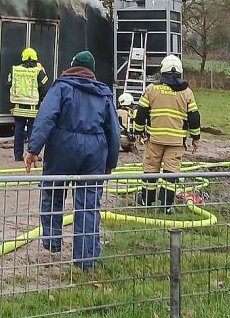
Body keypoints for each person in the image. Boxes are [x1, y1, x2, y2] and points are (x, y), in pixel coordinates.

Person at [25, 50, 120, 271]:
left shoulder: (61, 87)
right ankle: (86, 260)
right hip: (94, 153)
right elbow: (113, 131)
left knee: (52, 191)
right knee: (88, 205)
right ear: (91, 71)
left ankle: (52, 240)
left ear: (73, 65)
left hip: (62, 148)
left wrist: (33, 150)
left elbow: (45, 117)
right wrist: (110, 163)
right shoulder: (104, 93)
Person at [132, 55, 201, 212]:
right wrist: (195, 138)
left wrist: (138, 131)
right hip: (176, 142)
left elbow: (141, 113)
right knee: (171, 173)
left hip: (155, 140)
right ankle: (166, 206)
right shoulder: (187, 93)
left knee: (150, 170)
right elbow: (195, 117)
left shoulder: (151, 89)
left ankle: (147, 202)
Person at [7, 47, 51, 161]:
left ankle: (17, 156)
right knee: (33, 130)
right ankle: (32, 154)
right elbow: (45, 88)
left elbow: (8, 84)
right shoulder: (38, 71)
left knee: (18, 130)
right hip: (33, 107)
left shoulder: (15, 70)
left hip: (18, 107)